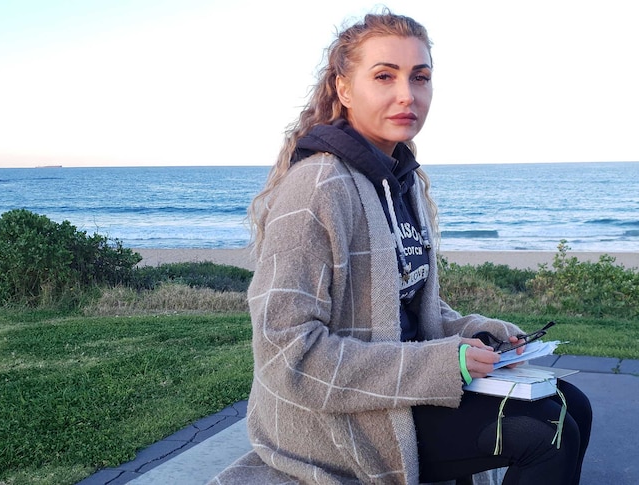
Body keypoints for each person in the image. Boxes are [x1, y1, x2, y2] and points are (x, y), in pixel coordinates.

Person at [212, 9, 591, 485]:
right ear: (344, 89)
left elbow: (403, 306)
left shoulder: (402, 182)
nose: (406, 95)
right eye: (384, 76)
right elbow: (288, 355)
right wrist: (441, 362)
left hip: (403, 390)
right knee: (546, 433)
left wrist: (479, 331)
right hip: (340, 420)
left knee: (571, 403)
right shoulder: (317, 189)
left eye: (421, 77)